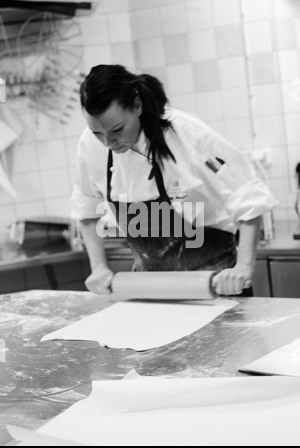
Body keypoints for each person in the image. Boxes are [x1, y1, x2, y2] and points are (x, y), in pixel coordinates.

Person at [72, 64, 276, 297]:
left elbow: (247, 194)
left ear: (137, 105)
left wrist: (243, 267)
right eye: (99, 133)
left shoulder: (186, 134)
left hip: (214, 289)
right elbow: (86, 209)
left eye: (117, 129)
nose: (109, 142)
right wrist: (98, 267)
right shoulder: (90, 145)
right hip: (152, 294)